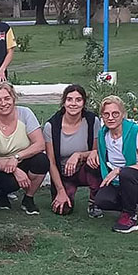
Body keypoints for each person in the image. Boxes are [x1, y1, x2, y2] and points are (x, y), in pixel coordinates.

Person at [93, 95, 138, 233]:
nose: (110, 118)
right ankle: (129, 205)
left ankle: (130, 216)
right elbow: (100, 155)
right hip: (119, 182)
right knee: (101, 200)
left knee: (126, 173)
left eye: (115, 114)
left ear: (123, 114)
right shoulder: (103, 135)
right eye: (106, 114)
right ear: (102, 116)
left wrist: (119, 170)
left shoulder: (136, 133)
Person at [0, 82, 49, 215]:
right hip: (2, 166)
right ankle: (2, 192)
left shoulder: (25, 113)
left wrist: (16, 158)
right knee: (12, 183)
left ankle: (28, 198)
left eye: (7, 98)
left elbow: (40, 144)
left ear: (13, 98)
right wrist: (15, 170)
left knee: (42, 161)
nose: (3, 103)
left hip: (23, 159)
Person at [44, 84, 103, 217]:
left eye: (78, 100)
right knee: (62, 210)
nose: (73, 104)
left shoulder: (92, 121)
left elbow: (95, 152)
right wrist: (60, 191)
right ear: (64, 102)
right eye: (69, 99)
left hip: (84, 169)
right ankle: (65, 191)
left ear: (84, 103)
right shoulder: (51, 126)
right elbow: (51, 162)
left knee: (95, 163)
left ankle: (95, 201)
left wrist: (78, 155)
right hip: (64, 173)